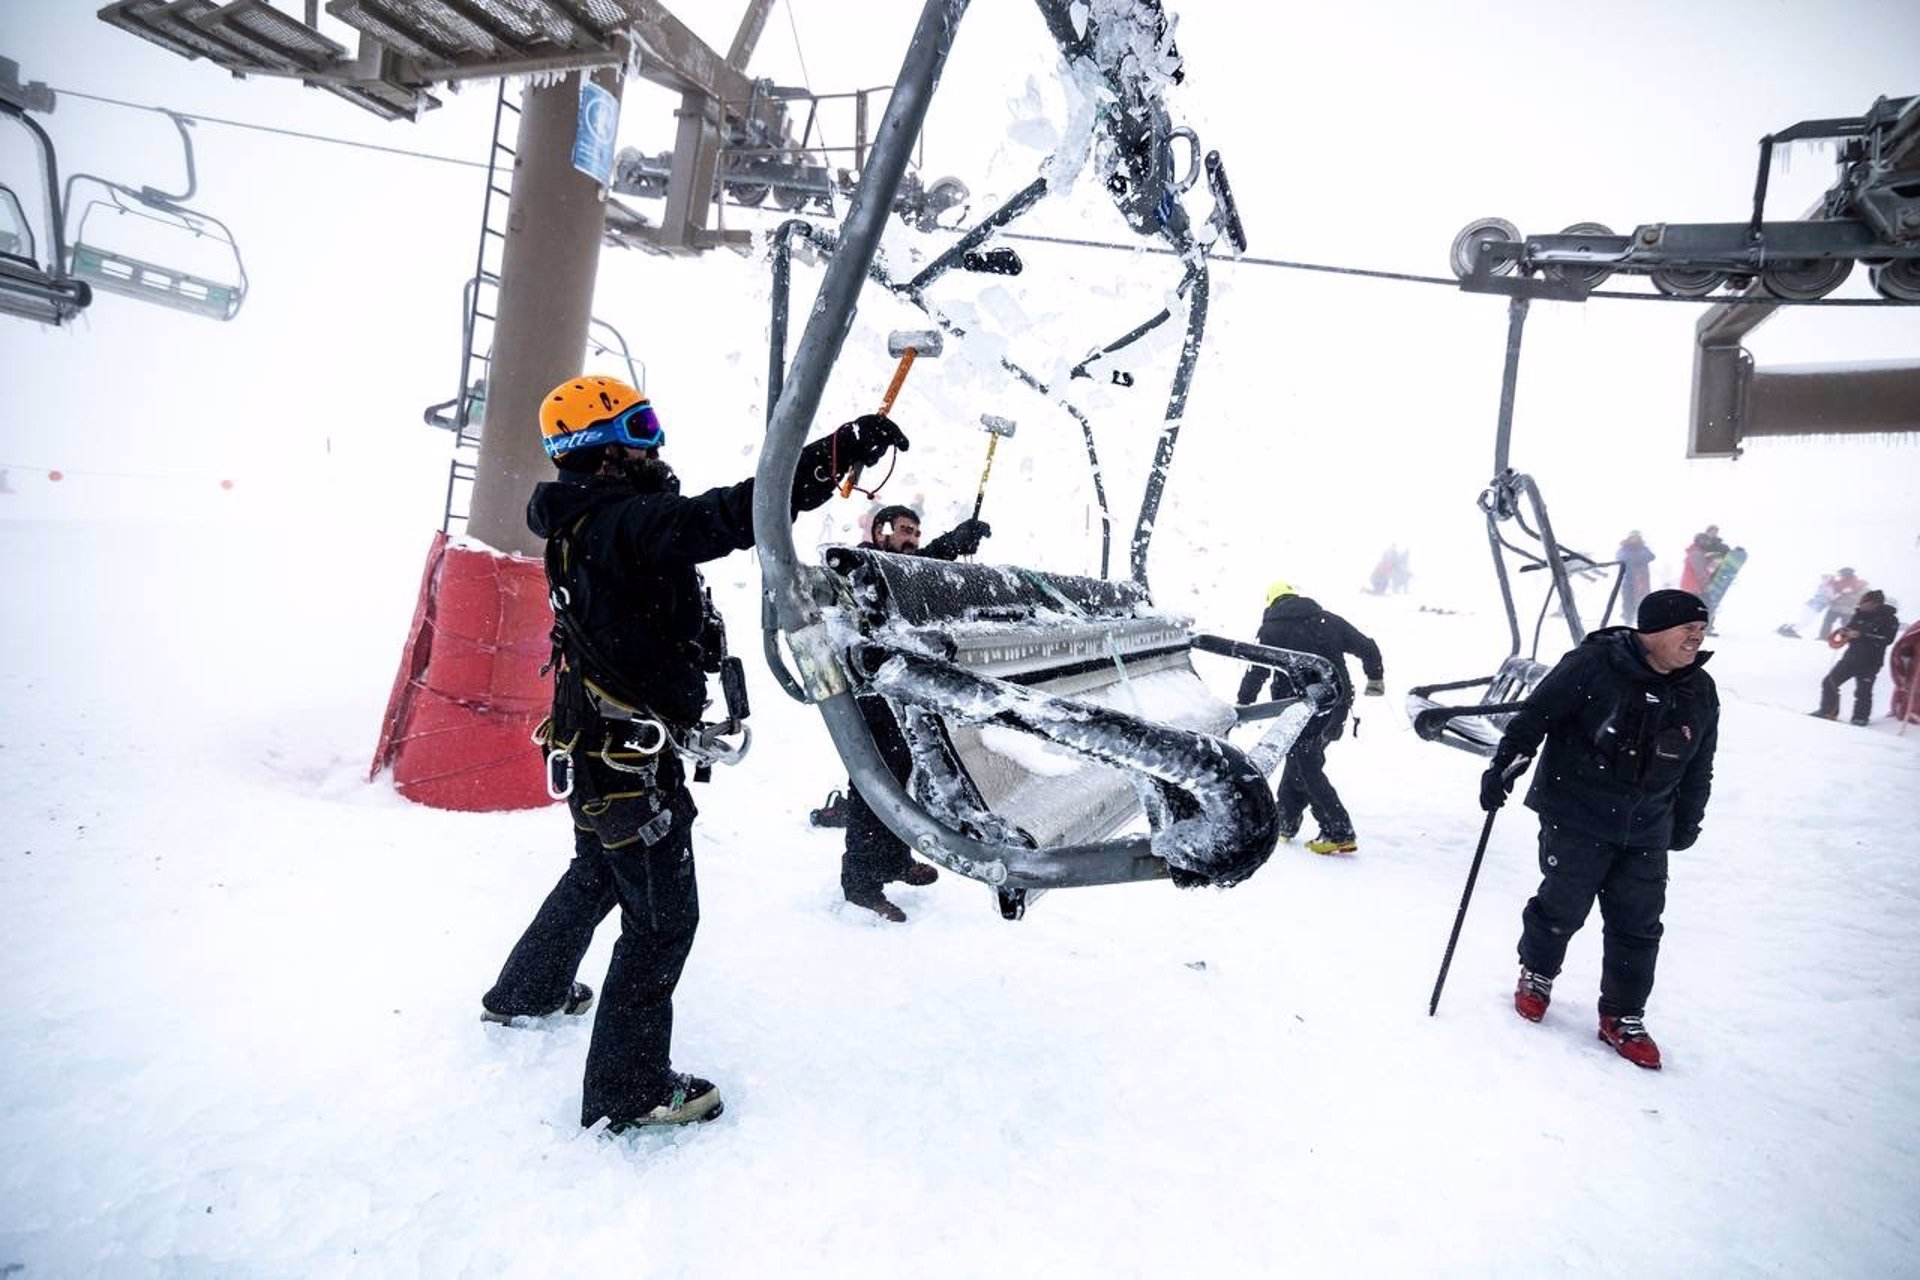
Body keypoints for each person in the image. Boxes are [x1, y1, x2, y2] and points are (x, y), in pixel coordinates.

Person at [479, 374, 909, 1131]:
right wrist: (832, 454)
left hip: (597, 754)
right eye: (640, 429)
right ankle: (628, 1088)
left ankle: (529, 990)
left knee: (596, 873)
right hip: (625, 767)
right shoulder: (620, 524)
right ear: (602, 449)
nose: (656, 444)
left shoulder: (588, 523)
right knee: (662, 922)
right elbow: (728, 516)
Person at [1479, 589, 1719, 1071]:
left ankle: (1623, 1015)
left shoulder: (1699, 689)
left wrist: (1688, 818)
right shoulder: (1594, 665)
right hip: (1577, 812)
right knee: (1562, 906)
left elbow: (1700, 765)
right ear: (1652, 630)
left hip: (1648, 826)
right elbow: (1536, 716)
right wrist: (1505, 764)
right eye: (1686, 628)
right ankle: (1538, 972)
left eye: (1701, 630)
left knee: (1638, 925)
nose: (1696, 637)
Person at [839, 503, 992, 921]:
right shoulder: (859, 565)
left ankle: (892, 859)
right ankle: (860, 883)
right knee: (872, 780)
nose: (911, 539)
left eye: (917, 534)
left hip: (897, 686)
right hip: (866, 689)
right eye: (905, 530)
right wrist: (949, 546)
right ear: (882, 531)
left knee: (901, 772)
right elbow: (897, 573)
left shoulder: (900, 571)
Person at [1234, 581, 1384, 855]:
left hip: (1301, 706)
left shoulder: (1271, 628)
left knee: (1305, 764)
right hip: (1336, 703)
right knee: (1301, 759)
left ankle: (1338, 830)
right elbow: (1368, 647)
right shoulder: (1328, 620)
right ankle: (1287, 821)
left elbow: (1256, 669)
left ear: (1272, 602)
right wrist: (1375, 678)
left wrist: (1243, 703)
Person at [1813, 590, 1901, 725]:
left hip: (1871, 661)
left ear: (1874, 603)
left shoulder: (1890, 619)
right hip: (1851, 658)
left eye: (1864, 602)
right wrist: (1844, 632)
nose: (1861, 604)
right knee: (1829, 682)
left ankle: (1860, 718)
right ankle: (1827, 712)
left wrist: (1861, 635)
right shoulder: (1859, 614)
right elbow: (1850, 629)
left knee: (1863, 691)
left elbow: (1886, 640)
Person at [1615, 531, 1655, 624]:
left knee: (1643, 602)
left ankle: (1643, 622)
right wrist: (1636, 558)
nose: (1635, 539)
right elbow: (1620, 557)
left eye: (1637, 537)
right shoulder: (1624, 549)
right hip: (1628, 581)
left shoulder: (1643, 548)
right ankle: (1628, 622)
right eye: (1633, 537)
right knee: (1628, 603)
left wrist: (1637, 557)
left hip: (1642, 581)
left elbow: (1651, 556)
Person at [1819, 567, 1869, 642]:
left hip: (1847, 608)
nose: (1840, 575)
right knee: (1830, 621)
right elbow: (1834, 589)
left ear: (1847, 574)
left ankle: (1844, 639)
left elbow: (1856, 597)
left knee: (1846, 625)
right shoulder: (1843, 581)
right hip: (1837, 607)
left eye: (1841, 574)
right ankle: (1824, 636)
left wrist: (1842, 597)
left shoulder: (1856, 584)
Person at [1678, 525, 1728, 596]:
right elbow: (1700, 573)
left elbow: (1704, 569)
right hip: (1693, 589)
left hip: (1692, 587)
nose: (1707, 543)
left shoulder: (1697, 553)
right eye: (1706, 541)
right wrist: (1706, 587)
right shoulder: (1696, 554)